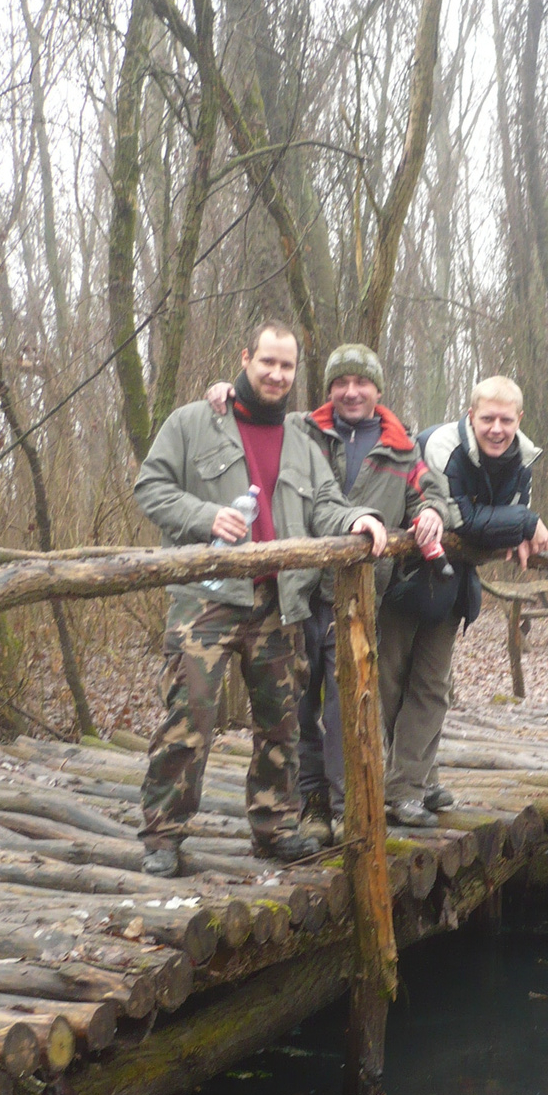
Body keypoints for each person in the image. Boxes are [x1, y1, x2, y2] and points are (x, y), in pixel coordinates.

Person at [134, 323, 387, 878]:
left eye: (287, 367)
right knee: (190, 714)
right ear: (245, 358)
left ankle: (274, 827)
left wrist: (357, 519)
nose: (276, 374)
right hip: (207, 597)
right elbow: (150, 488)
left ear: (296, 373)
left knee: (282, 723)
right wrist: (205, 518)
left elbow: (324, 502)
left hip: (281, 598)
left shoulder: (300, 436)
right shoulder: (195, 422)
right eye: (267, 362)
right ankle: (163, 835)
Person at [205, 343, 449, 837]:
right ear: (329, 389)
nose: (351, 391)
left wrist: (431, 514)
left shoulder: (402, 448)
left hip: (359, 599)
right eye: (341, 382)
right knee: (296, 699)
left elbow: (432, 492)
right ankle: (311, 794)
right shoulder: (300, 430)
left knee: (349, 701)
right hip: (296, 589)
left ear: (377, 389)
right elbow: (250, 418)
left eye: (361, 383)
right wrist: (229, 390)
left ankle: (348, 803)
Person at [386, 376, 548, 821]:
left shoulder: (523, 458)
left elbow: (494, 530)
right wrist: (523, 520)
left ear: (519, 418)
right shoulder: (441, 446)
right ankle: (394, 784)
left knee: (432, 687)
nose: (496, 429)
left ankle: (410, 785)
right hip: (402, 578)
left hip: (452, 584)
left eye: (505, 419)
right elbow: (458, 518)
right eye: (487, 419)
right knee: (387, 684)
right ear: (470, 414)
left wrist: (516, 529)